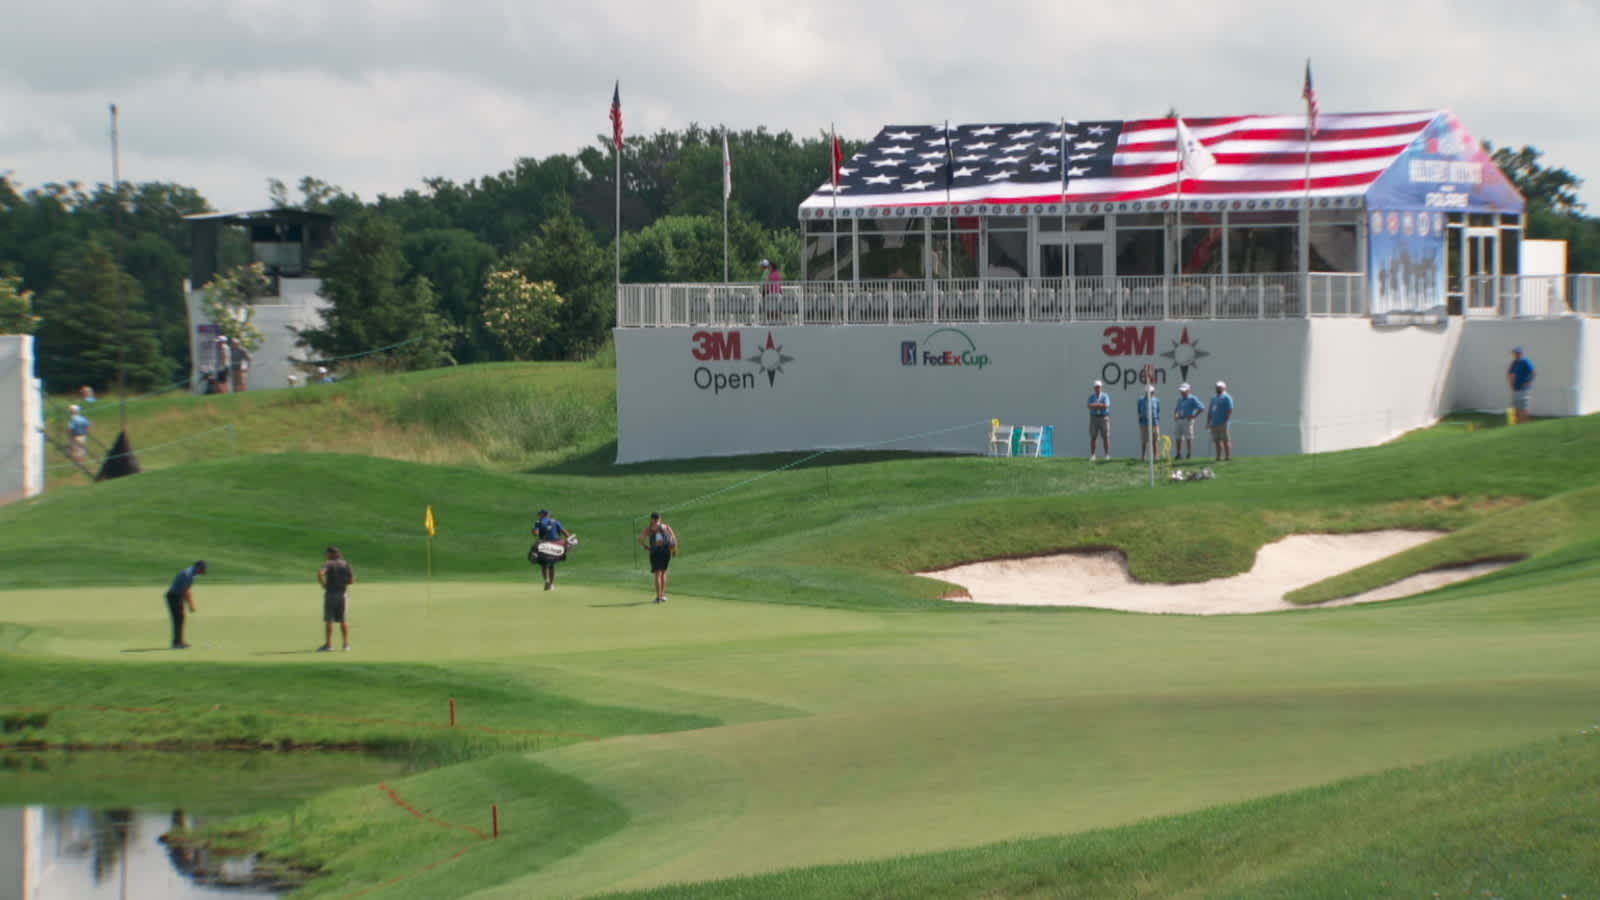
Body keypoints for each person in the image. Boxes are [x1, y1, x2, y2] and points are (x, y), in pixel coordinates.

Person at [317, 546, 356, 651]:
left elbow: (320, 574)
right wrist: (343, 583)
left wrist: (323, 584)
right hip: (343, 594)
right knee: (343, 620)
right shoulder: (346, 564)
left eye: (327, 554)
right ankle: (346, 645)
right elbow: (352, 580)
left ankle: (328, 645)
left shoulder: (328, 564)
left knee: (329, 620)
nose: (326, 555)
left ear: (332, 554)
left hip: (331, 594)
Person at [164, 561, 207, 649]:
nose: (202, 572)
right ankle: (176, 643)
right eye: (202, 570)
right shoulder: (187, 575)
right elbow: (185, 591)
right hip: (173, 597)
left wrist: (190, 603)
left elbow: (188, 589)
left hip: (177, 596)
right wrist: (191, 605)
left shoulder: (192, 574)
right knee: (178, 618)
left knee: (181, 618)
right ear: (197, 567)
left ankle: (179, 641)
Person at [637, 512, 678, 603]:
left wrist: (646, 546)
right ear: (660, 518)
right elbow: (674, 539)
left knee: (657, 574)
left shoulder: (650, 529)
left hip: (655, 552)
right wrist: (674, 550)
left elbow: (640, 539)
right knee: (663, 572)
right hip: (666, 552)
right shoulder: (666, 527)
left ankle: (658, 597)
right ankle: (663, 595)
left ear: (652, 519)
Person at [531, 508, 573, 591]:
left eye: (539, 514)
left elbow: (536, 534)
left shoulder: (538, 523)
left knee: (543, 564)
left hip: (544, 545)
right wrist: (570, 541)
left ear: (543, 515)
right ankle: (551, 584)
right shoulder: (555, 522)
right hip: (556, 545)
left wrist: (533, 530)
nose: (538, 515)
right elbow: (565, 533)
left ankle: (546, 581)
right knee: (552, 565)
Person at [1172, 383, 1204, 460]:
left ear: (1188, 390)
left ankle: (1189, 454)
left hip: (1187, 420)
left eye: (1184, 391)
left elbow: (1201, 408)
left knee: (1188, 437)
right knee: (1178, 437)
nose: (1182, 392)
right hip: (1179, 419)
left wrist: (1194, 416)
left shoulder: (1193, 398)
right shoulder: (1179, 399)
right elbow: (1176, 409)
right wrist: (1175, 415)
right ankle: (1178, 454)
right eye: (1181, 391)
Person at [1207, 380, 1235, 461]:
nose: (1218, 388)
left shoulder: (1227, 397)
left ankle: (1228, 456)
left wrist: (1226, 420)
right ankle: (1218, 456)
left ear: (1224, 388)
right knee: (1217, 440)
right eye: (1217, 387)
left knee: (1225, 440)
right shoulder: (1213, 398)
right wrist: (1208, 422)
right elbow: (1210, 410)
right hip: (1214, 422)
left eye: (1219, 387)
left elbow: (1230, 409)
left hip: (1223, 422)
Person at [1507, 346, 1536, 425]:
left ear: (1521, 353)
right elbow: (1509, 373)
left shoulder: (1526, 362)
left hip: (1523, 389)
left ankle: (1525, 424)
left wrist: (1528, 383)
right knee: (1515, 407)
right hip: (1515, 389)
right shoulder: (1514, 363)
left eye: (1517, 353)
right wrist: (1510, 383)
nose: (1516, 355)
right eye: (1514, 353)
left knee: (1523, 408)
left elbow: (1533, 373)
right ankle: (1517, 423)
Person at [1086, 379, 1111, 461]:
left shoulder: (1105, 396)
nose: (1097, 388)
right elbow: (1089, 405)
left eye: (1099, 387)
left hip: (1103, 417)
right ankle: (1093, 455)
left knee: (1106, 437)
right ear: (1094, 388)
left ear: (1101, 387)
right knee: (1093, 437)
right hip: (1094, 418)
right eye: (1096, 387)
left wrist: (1095, 405)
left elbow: (1106, 405)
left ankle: (1107, 455)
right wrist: (1100, 405)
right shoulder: (1091, 397)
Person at [1136, 385, 1161, 462]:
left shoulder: (1156, 400)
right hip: (1144, 422)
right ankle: (1143, 457)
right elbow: (1139, 410)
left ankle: (1155, 457)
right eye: (1148, 392)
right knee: (1144, 440)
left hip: (1154, 422)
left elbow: (1158, 410)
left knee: (1155, 440)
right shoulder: (1141, 400)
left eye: (1151, 392)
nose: (1150, 393)